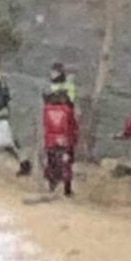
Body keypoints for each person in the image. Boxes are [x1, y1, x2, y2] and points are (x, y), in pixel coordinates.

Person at [42, 64, 78, 196]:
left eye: (54, 73)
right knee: (55, 158)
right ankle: (54, 183)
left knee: (64, 159)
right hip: (57, 131)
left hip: (62, 130)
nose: (52, 75)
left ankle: (65, 187)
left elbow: (71, 100)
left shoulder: (68, 87)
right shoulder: (51, 90)